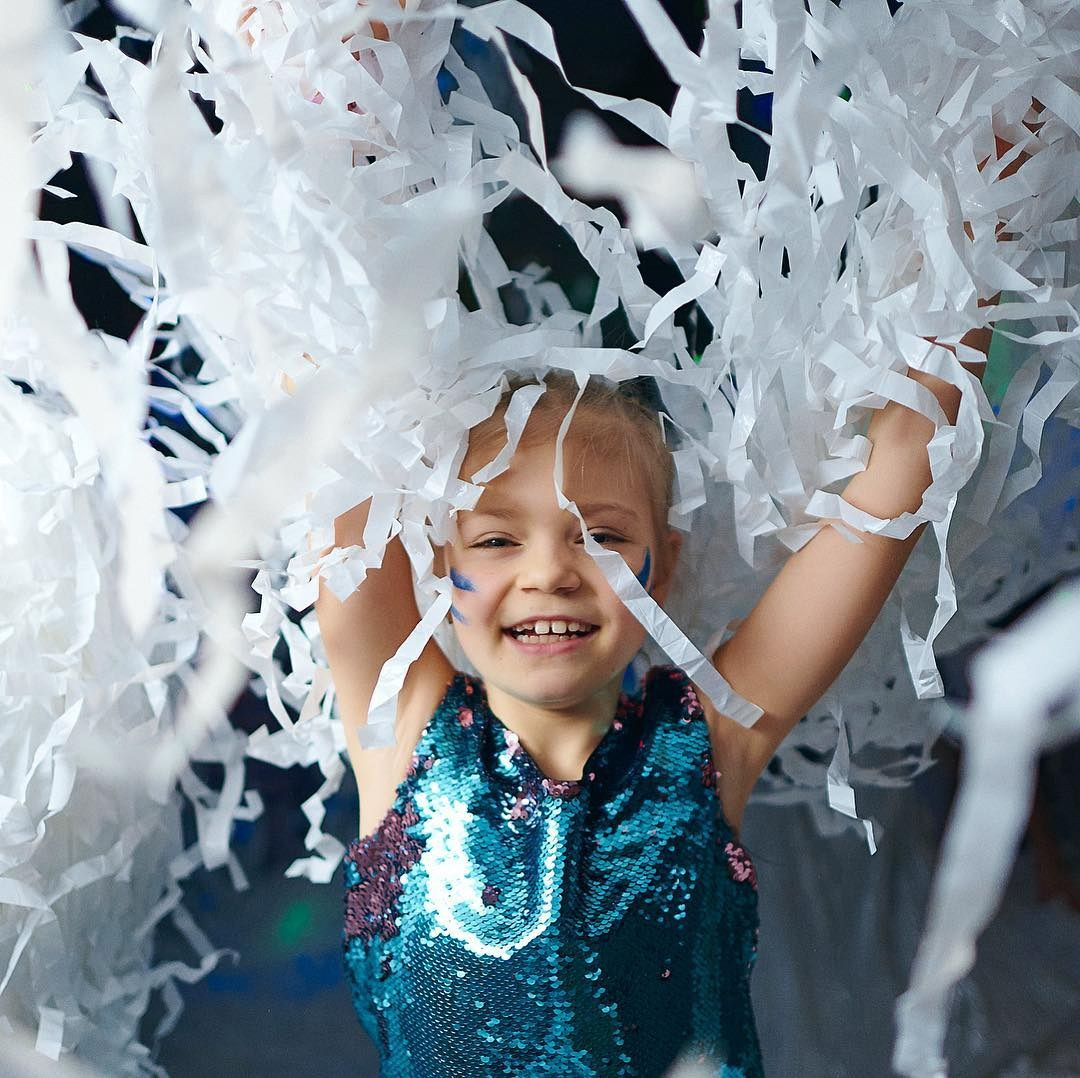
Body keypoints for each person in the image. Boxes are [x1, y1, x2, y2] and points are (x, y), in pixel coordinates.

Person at [316, 341, 980, 1075]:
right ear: (439, 569)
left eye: (601, 537)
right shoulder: (406, 731)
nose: (549, 572)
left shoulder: (705, 740)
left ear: (661, 566)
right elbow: (327, 446)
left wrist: (972, 265)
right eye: (497, 539)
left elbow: (886, 500)